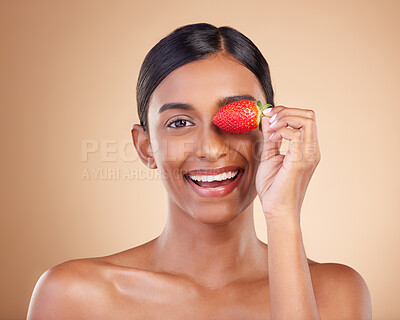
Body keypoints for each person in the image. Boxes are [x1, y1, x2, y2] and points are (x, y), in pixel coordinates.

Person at [27, 22, 372, 319]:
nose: (210, 148)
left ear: (270, 129)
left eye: (235, 116)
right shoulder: (73, 296)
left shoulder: (335, 294)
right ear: (145, 147)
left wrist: (282, 215)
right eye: (179, 122)